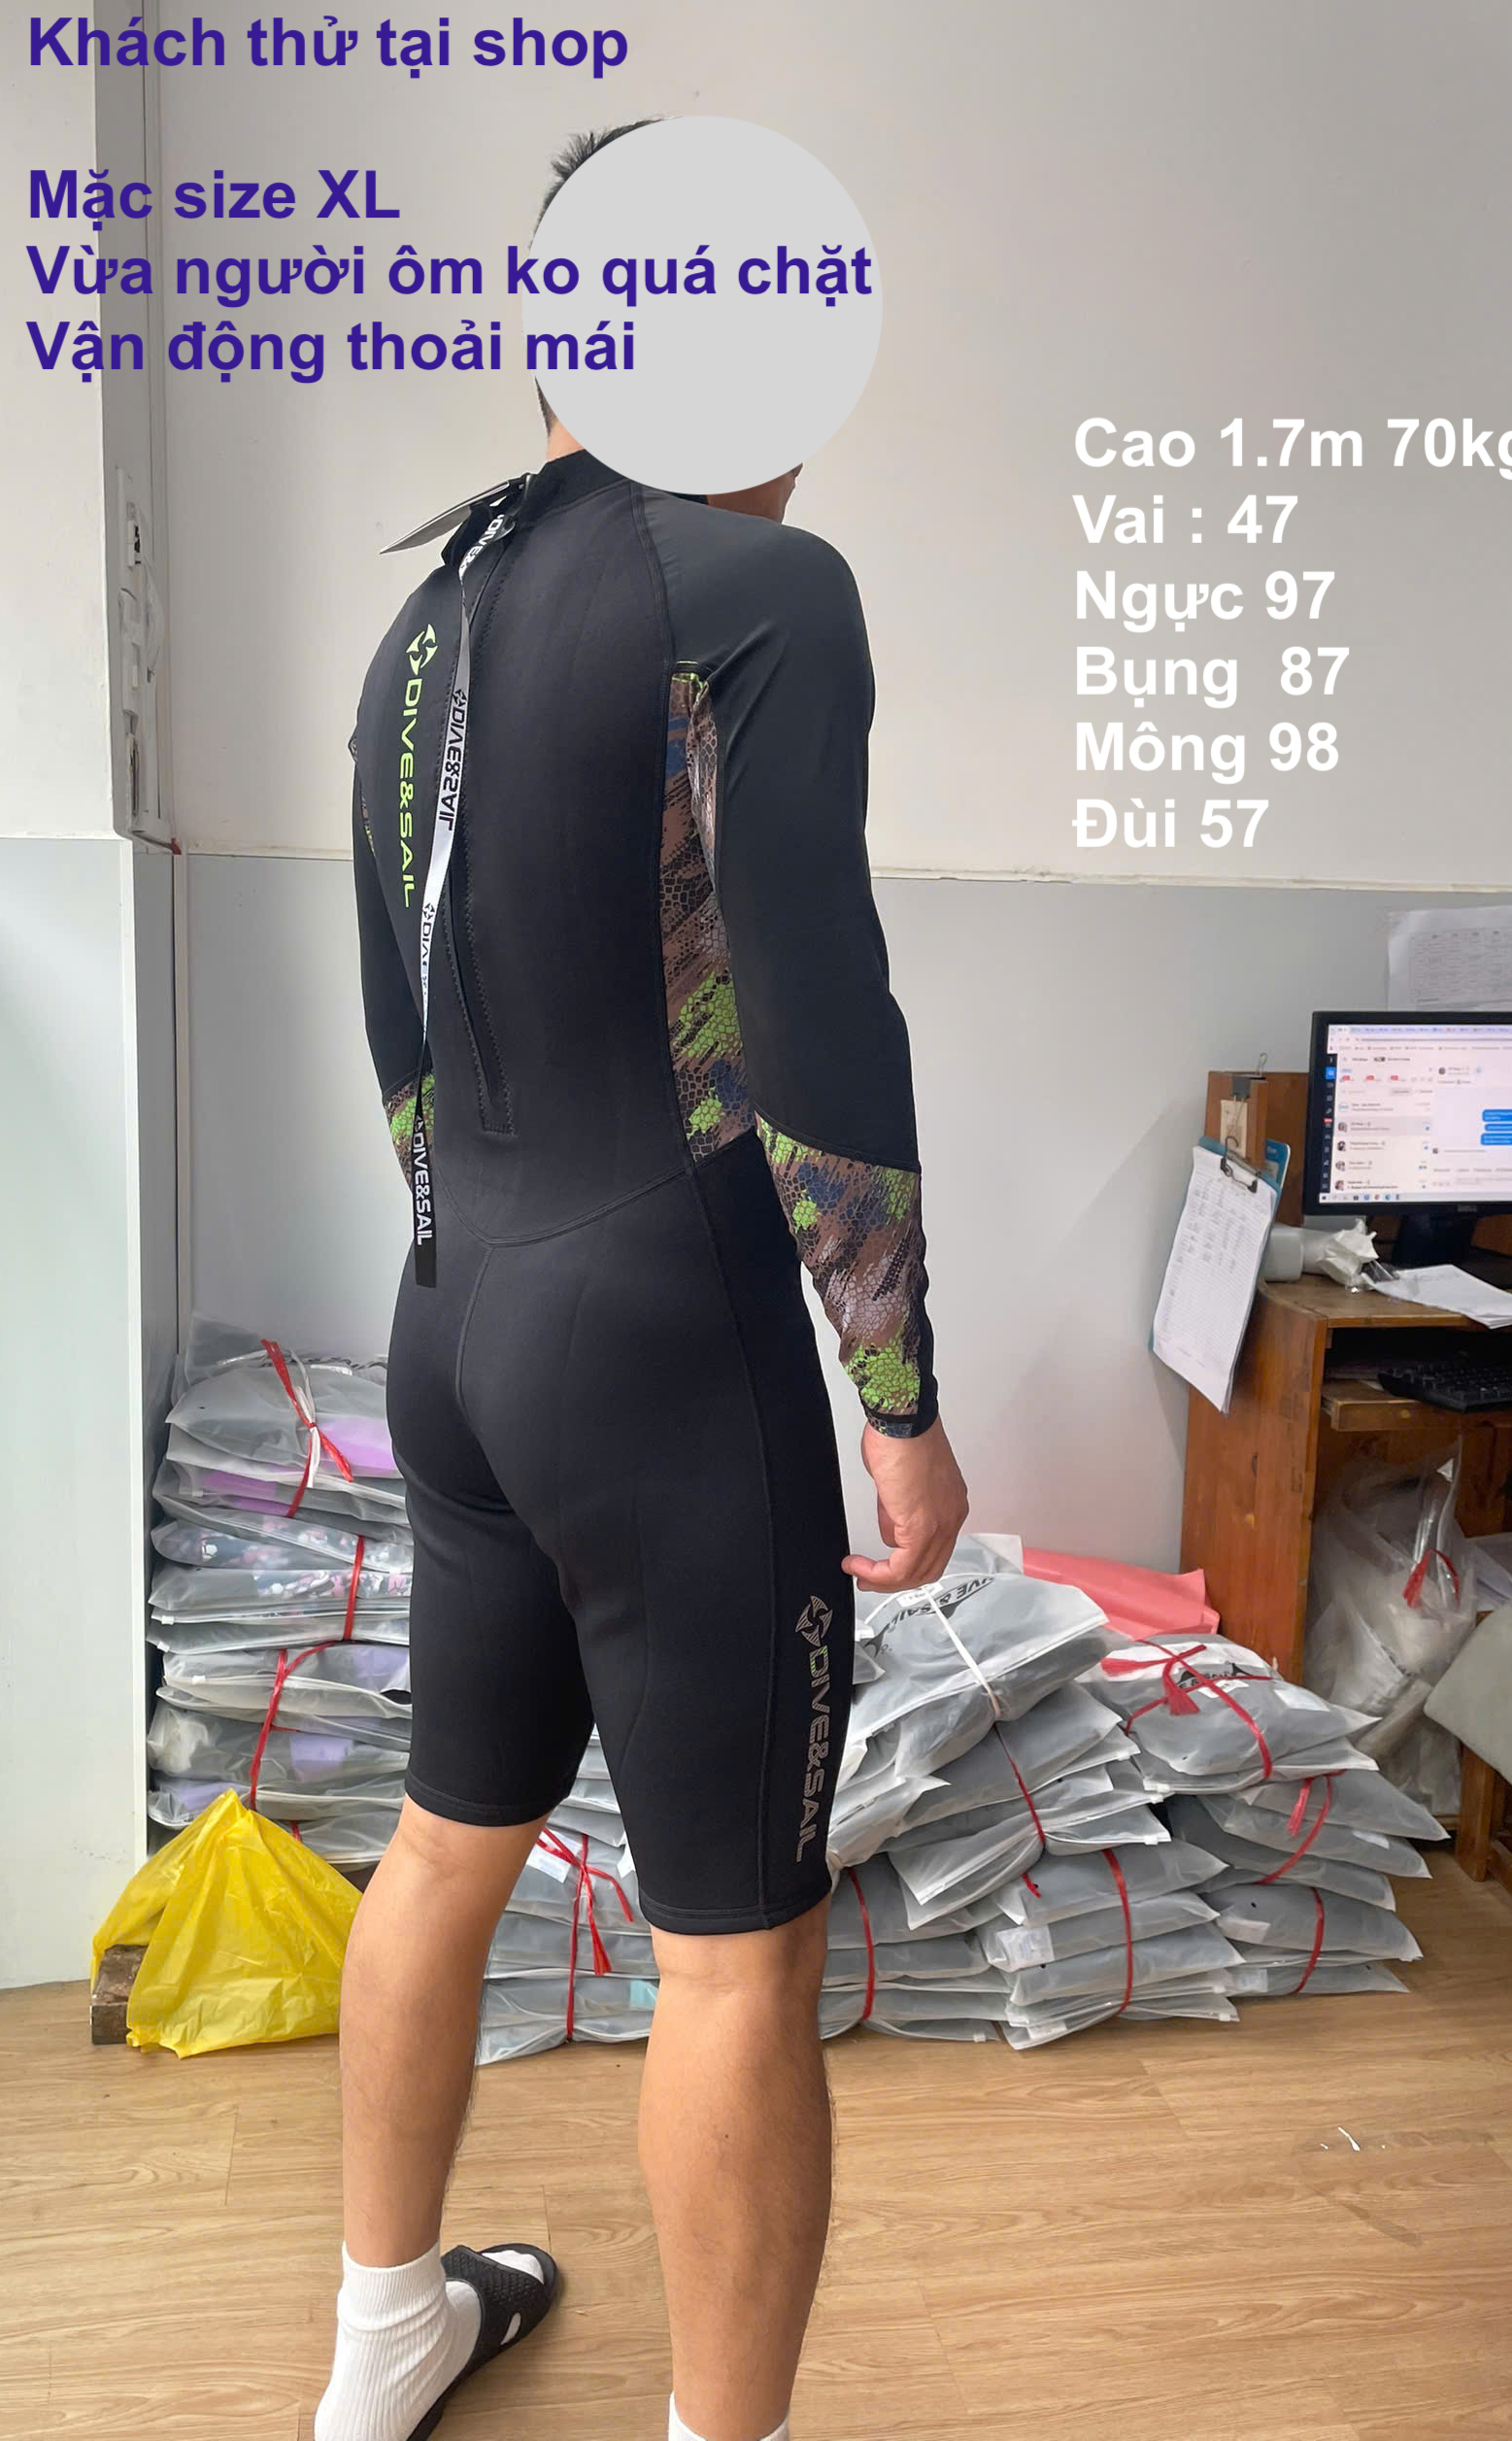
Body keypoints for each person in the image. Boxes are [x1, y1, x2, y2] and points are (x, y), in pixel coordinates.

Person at [319, 128, 969, 2441]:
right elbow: (817, 1023)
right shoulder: (764, 590)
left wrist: (487, 1279)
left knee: (445, 1836)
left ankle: (381, 2340)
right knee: (736, 1957)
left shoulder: (423, 626)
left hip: (460, 1311)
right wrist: (899, 1391)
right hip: (665, 1341)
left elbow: (398, 1034)